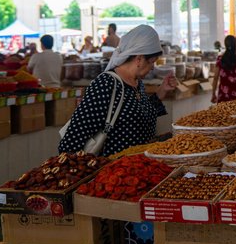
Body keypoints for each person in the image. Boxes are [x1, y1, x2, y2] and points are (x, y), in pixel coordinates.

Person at [58, 25, 177, 157]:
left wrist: (161, 92)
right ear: (139, 59)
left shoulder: (136, 82)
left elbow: (139, 115)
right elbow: (71, 141)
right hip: (113, 172)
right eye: (152, 62)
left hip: (140, 169)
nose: (152, 68)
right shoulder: (106, 84)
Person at [211, 35, 236, 103]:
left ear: (225, 44)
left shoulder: (220, 59)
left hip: (223, 93)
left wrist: (213, 94)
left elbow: (215, 77)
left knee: (224, 112)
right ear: (235, 44)